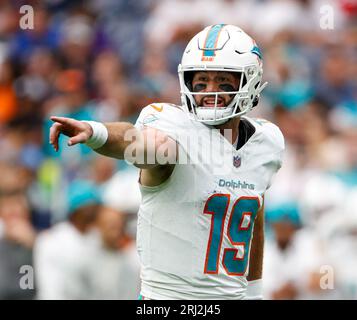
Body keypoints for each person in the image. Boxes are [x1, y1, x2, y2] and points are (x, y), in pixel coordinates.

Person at [49, 24, 284, 300]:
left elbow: (253, 216)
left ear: (250, 81)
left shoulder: (266, 142)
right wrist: (96, 132)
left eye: (223, 82)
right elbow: (139, 143)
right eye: (201, 83)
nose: (210, 92)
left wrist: (254, 292)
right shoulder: (171, 128)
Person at [34, 180, 101, 300]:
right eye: (90, 205)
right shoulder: (51, 240)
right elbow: (50, 289)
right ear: (77, 210)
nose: (95, 210)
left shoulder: (98, 238)